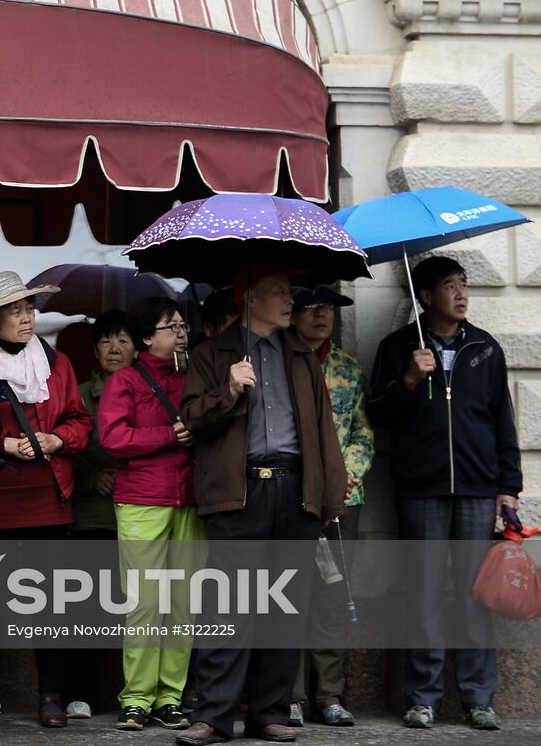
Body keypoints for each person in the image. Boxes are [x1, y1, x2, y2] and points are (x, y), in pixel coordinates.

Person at [176, 269, 346, 746]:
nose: (290, 300)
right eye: (279, 293)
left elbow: (323, 431)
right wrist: (227, 390)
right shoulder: (212, 354)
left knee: (283, 609)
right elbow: (192, 418)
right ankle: (213, 715)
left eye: (289, 292)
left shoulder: (301, 355)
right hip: (240, 494)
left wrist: (328, 497)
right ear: (250, 298)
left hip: (295, 493)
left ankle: (270, 712)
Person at [368, 256, 521, 732]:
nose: (461, 294)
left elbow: (503, 423)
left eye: (463, 285)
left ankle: (479, 698)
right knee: (425, 595)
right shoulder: (397, 348)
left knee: (476, 596)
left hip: (477, 491)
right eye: (449, 286)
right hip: (422, 492)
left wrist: (508, 489)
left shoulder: (485, 349)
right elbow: (379, 416)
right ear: (426, 296)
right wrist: (410, 381)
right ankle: (423, 698)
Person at [0, 271, 94, 730]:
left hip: (49, 497)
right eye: (15, 310)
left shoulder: (57, 363)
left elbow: (81, 421)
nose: (26, 317)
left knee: (50, 601)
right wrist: (2, 446)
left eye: (29, 308)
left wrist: (58, 439)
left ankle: (51, 695)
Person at [98, 297, 201, 733]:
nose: (180, 332)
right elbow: (112, 437)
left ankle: (170, 697)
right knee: (145, 603)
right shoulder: (124, 380)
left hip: (191, 499)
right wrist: (169, 434)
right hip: (142, 499)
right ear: (146, 338)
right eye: (170, 326)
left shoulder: (195, 376)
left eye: (182, 325)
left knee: (183, 605)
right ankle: (137, 698)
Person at [287, 285, 372, 728]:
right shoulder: (279, 362)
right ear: (292, 314)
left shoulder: (346, 368)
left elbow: (362, 432)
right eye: (312, 310)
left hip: (343, 500)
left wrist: (350, 471)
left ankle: (330, 695)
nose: (323, 317)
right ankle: (293, 695)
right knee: (290, 597)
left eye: (329, 310)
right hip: (294, 498)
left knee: (334, 599)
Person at [65, 310, 132, 719]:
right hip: (92, 516)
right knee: (86, 610)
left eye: (123, 340)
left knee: (142, 612)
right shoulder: (81, 393)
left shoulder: (148, 389)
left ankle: (134, 696)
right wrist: (93, 477)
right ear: (95, 349)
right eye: (106, 340)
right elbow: (66, 447)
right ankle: (81, 693)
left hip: (142, 512)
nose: (114, 348)